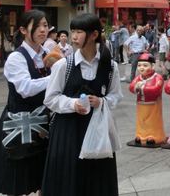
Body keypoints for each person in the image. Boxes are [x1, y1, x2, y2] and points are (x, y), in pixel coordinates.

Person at [42, 13, 121, 195]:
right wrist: (72, 103)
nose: (74, 37)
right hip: (68, 131)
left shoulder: (110, 67)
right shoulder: (64, 65)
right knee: (68, 178)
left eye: (79, 32)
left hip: (98, 130)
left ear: (93, 35)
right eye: (72, 32)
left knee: (97, 179)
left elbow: (116, 95)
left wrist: (101, 101)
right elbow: (50, 98)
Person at [0, 9, 51, 195]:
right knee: (18, 173)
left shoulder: (48, 53)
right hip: (21, 122)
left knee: (45, 172)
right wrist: (56, 77)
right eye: (38, 25)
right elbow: (25, 89)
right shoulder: (16, 57)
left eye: (45, 25)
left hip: (45, 120)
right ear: (24, 30)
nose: (43, 30)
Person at [128, 52, 166, 146]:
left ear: (153, 66)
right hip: (141, 104)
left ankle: (154, 136)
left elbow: (155, 89)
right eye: (139, 65)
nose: (141, 68)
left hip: (153, 104)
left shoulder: (158, 77)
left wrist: (141, 87)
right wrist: (137, 87)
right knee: (141, 120)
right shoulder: (138, 77)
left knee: (153, 120)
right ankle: (140, 135)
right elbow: (131, 87)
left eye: (145, 65)